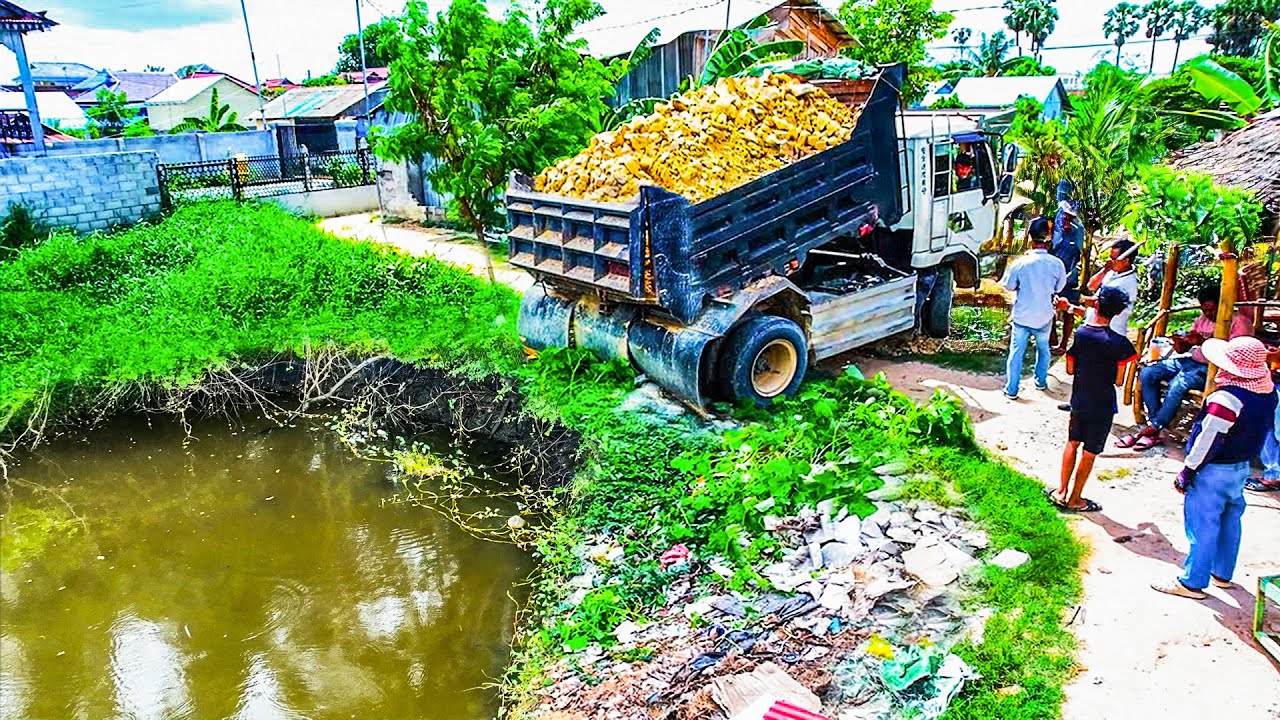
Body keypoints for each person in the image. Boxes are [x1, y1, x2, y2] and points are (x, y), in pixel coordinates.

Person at [1152, 336, 1278, 600]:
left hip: (1214, 470)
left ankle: (1192, 582)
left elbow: (1208, 439)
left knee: (1203, 525)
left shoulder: (1227, 399)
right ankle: (1222, 573)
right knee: (1231, 520)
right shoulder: (1268, 394)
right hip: (1241, 467)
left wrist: (1188, 470)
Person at [1116, 284, 1254, 451]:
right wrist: (1181, 343)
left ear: (1222, 305)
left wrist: (1204, 342)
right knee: (1148, 373)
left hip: (1216, 369)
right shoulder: (1202, 320)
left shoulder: (1240, 322)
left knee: (1178, 383)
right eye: (1205, 310)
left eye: (1212, 310)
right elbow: (1185, 349)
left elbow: (1236, 356)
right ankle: (1156, 423)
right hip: (1192, 360)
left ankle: (1155, 426)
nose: (1208, 314)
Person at [1052, 286, 1138, 512]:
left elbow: (1070, 368)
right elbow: (1119, 381)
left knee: (1072, 442)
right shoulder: (1121, 344)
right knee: (1089, 452)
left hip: (1080, 399)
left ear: (1096, 305)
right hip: (1103, 405)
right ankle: (1075, 499)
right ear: (1118, 312)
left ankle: (1061, 491)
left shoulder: (1082, 334)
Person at [1001, 217, 1066, 400]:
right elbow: (1059, 287)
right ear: (1049, 240)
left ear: (1031, 239)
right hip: (1044, 316)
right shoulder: (1057, 264)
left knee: (1016, 353)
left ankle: (1012, 389)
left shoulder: (1020, 263)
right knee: (1044, 350)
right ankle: (1040, 381)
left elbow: (1009, 285)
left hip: (1022, 316)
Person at [1055, 237, 1140, 338]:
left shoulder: (1126, 284)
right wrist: (1104, 271)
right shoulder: (1113, 271)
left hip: (1110, 332)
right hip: (1096, 328)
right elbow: (1090, 286)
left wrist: (1071, 304)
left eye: (1113, 259)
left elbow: (1098, 305)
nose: (1110, 261)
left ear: (1126, 261)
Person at [1050, 199, 1084, 354]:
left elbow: (1079, 254)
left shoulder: (1078, 232)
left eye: (1070, 216)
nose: (1066, 218)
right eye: (1065, 215)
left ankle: (1064, 343)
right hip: (1053, 278)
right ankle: (1052, 339)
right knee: (1050, 308)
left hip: (1071, 278)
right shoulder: (1055, 230)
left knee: (1069, 311)